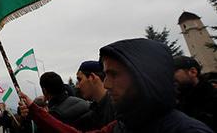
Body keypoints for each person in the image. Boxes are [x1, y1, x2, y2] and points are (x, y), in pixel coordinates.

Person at [18, 38, 213, 132]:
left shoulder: (188, 131)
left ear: (143, 77)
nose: (107, 84)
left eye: (114, 74)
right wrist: (36, 111)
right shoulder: (122, 126)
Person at [173, 55, 217, 132]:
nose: (170, 76)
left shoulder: (213, 98)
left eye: (173, 71)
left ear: (193, 72)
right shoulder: (176, 104)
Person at [74, 61, 115, 130]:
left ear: (92, 77)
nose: (77, 86)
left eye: (80, 79)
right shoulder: (92, 113)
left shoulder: (117, 109)